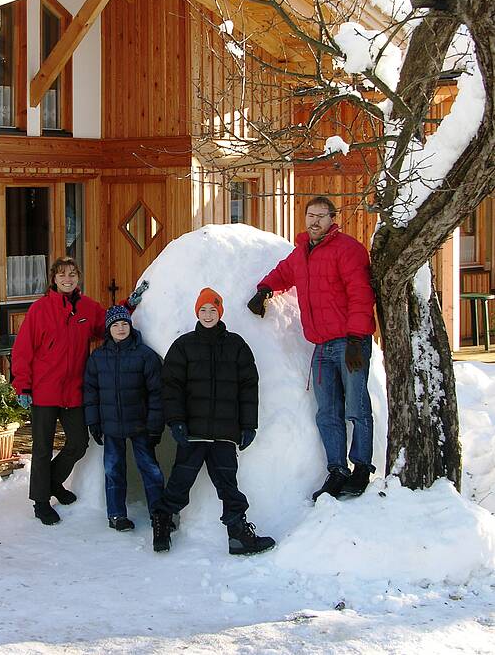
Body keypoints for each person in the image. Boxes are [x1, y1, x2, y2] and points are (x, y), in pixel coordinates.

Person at [247, 196, 377, 501]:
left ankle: (361, 468)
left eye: (321, 216)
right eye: (310, 216)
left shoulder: (348, 250)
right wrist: (264, 289)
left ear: (332, 218)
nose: (314, 221)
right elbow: (283, 272)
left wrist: (357, 339)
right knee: (327, 412)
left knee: (356, 408)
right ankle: (337, 470)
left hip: (349, 342)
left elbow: (361, 294)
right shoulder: (302, 252)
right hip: (321, 346)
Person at [150, 288, 275, 556]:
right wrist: (176, 421)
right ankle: (161, 522)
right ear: (197, 312)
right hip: (193, 433)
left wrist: (248, 425)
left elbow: (248, 386)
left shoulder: (236, 345)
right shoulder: (183, 346)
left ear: (220, 312)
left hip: (223, 434)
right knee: (180, 483)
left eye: (213, 310)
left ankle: (238, 535)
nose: (208, 315)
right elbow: (171, 387)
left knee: (229, 486)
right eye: (203, 310)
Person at [12, 257, 106, 525]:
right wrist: (23, 384)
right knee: (42, 448)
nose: (68, 279)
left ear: (78, 278)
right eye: (62, 274)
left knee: (78, 443)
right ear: (53, 279)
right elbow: (23, 350)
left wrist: (130, 306)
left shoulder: (88, 308)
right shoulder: (40, 309)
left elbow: (109, 324)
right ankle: (41, 503)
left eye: (73, 274)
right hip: (43, 391)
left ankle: (52, 482)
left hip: (74, 390)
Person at [84, 303, 165, 532]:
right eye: (115, 325)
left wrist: (154, 427)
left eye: (124, 324)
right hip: (110, 426)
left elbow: (157, 393)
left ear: (130, 326)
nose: (120, 328)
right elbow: (91, 392)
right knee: (113, 470)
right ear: (108, 329)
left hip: (140, 425)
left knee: (150, 470)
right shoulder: (98, 358)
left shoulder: (144, 355)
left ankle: (159, 514)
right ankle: (116, 514)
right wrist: (94, 422)